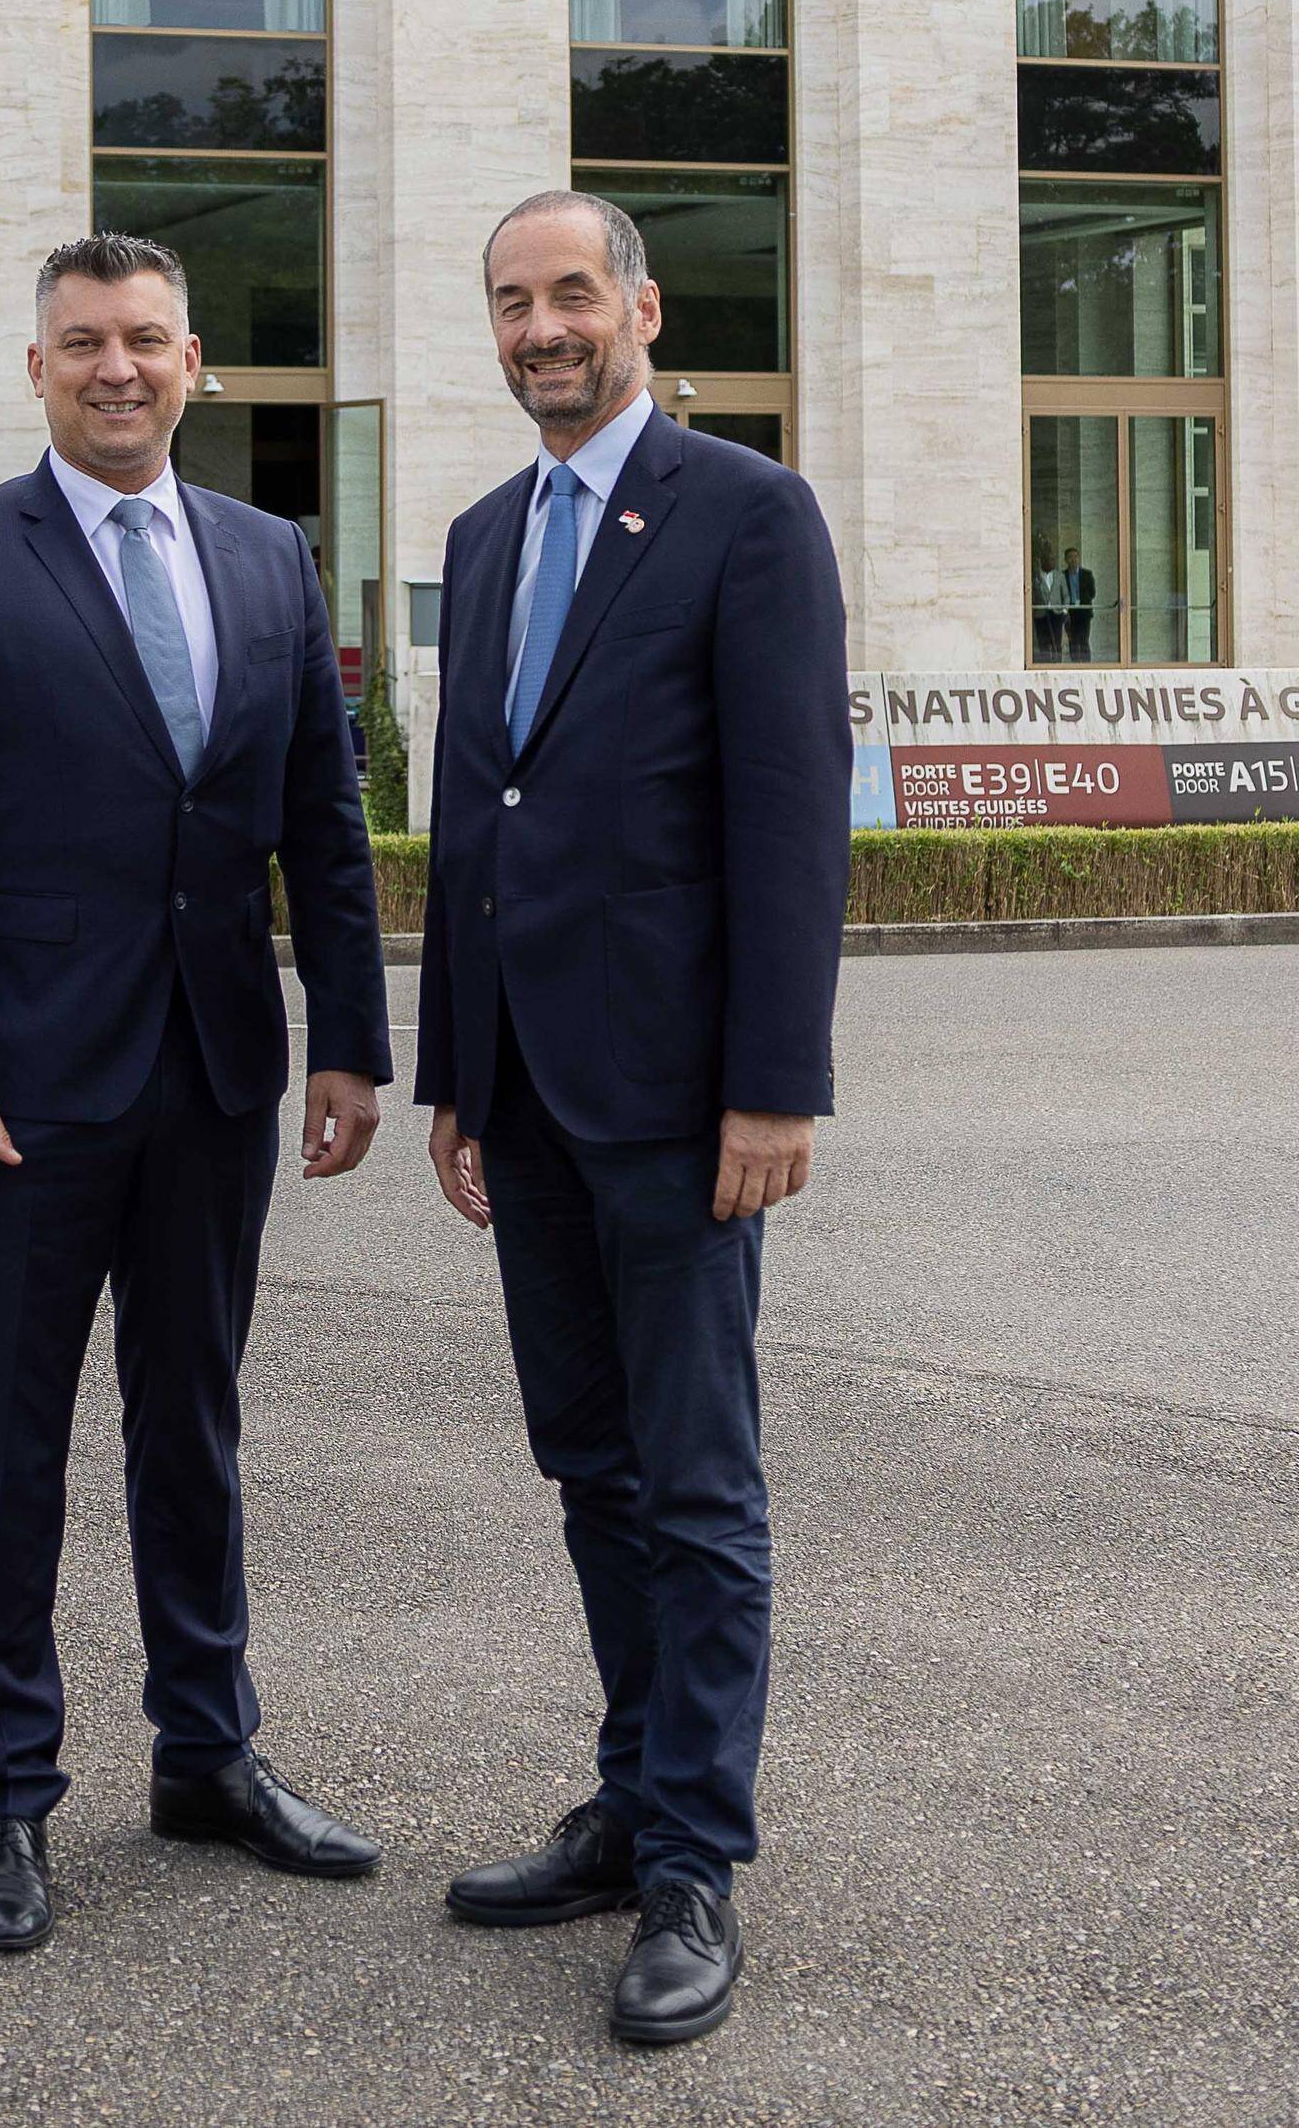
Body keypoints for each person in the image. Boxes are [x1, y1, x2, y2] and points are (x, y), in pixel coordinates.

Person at [0, 232, 396, 1954]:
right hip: (24, 1088)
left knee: (197, 1426)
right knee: (12, 1441)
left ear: (193, 359)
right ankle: (7, 1794)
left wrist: (354, 1039)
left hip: (220, 1073)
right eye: (82, 341)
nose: (116, 366)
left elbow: (325, 819)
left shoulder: (268, 555)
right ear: (36, 368)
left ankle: (206, 1752)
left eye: (145, 339)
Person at [413, 188, 849, 2051]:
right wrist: (455, 1070)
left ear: (643, 307)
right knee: (587, 1465)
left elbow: (788, 818)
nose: (540, 329)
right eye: (512, 302)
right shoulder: (488, 531)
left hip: (683, 1099)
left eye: (569, 294)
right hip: (529, 1093)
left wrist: (776, 1080)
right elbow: (476, 821)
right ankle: (627, 1792)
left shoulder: (749, 516)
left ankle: (693, 1861)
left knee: (696, 1480)